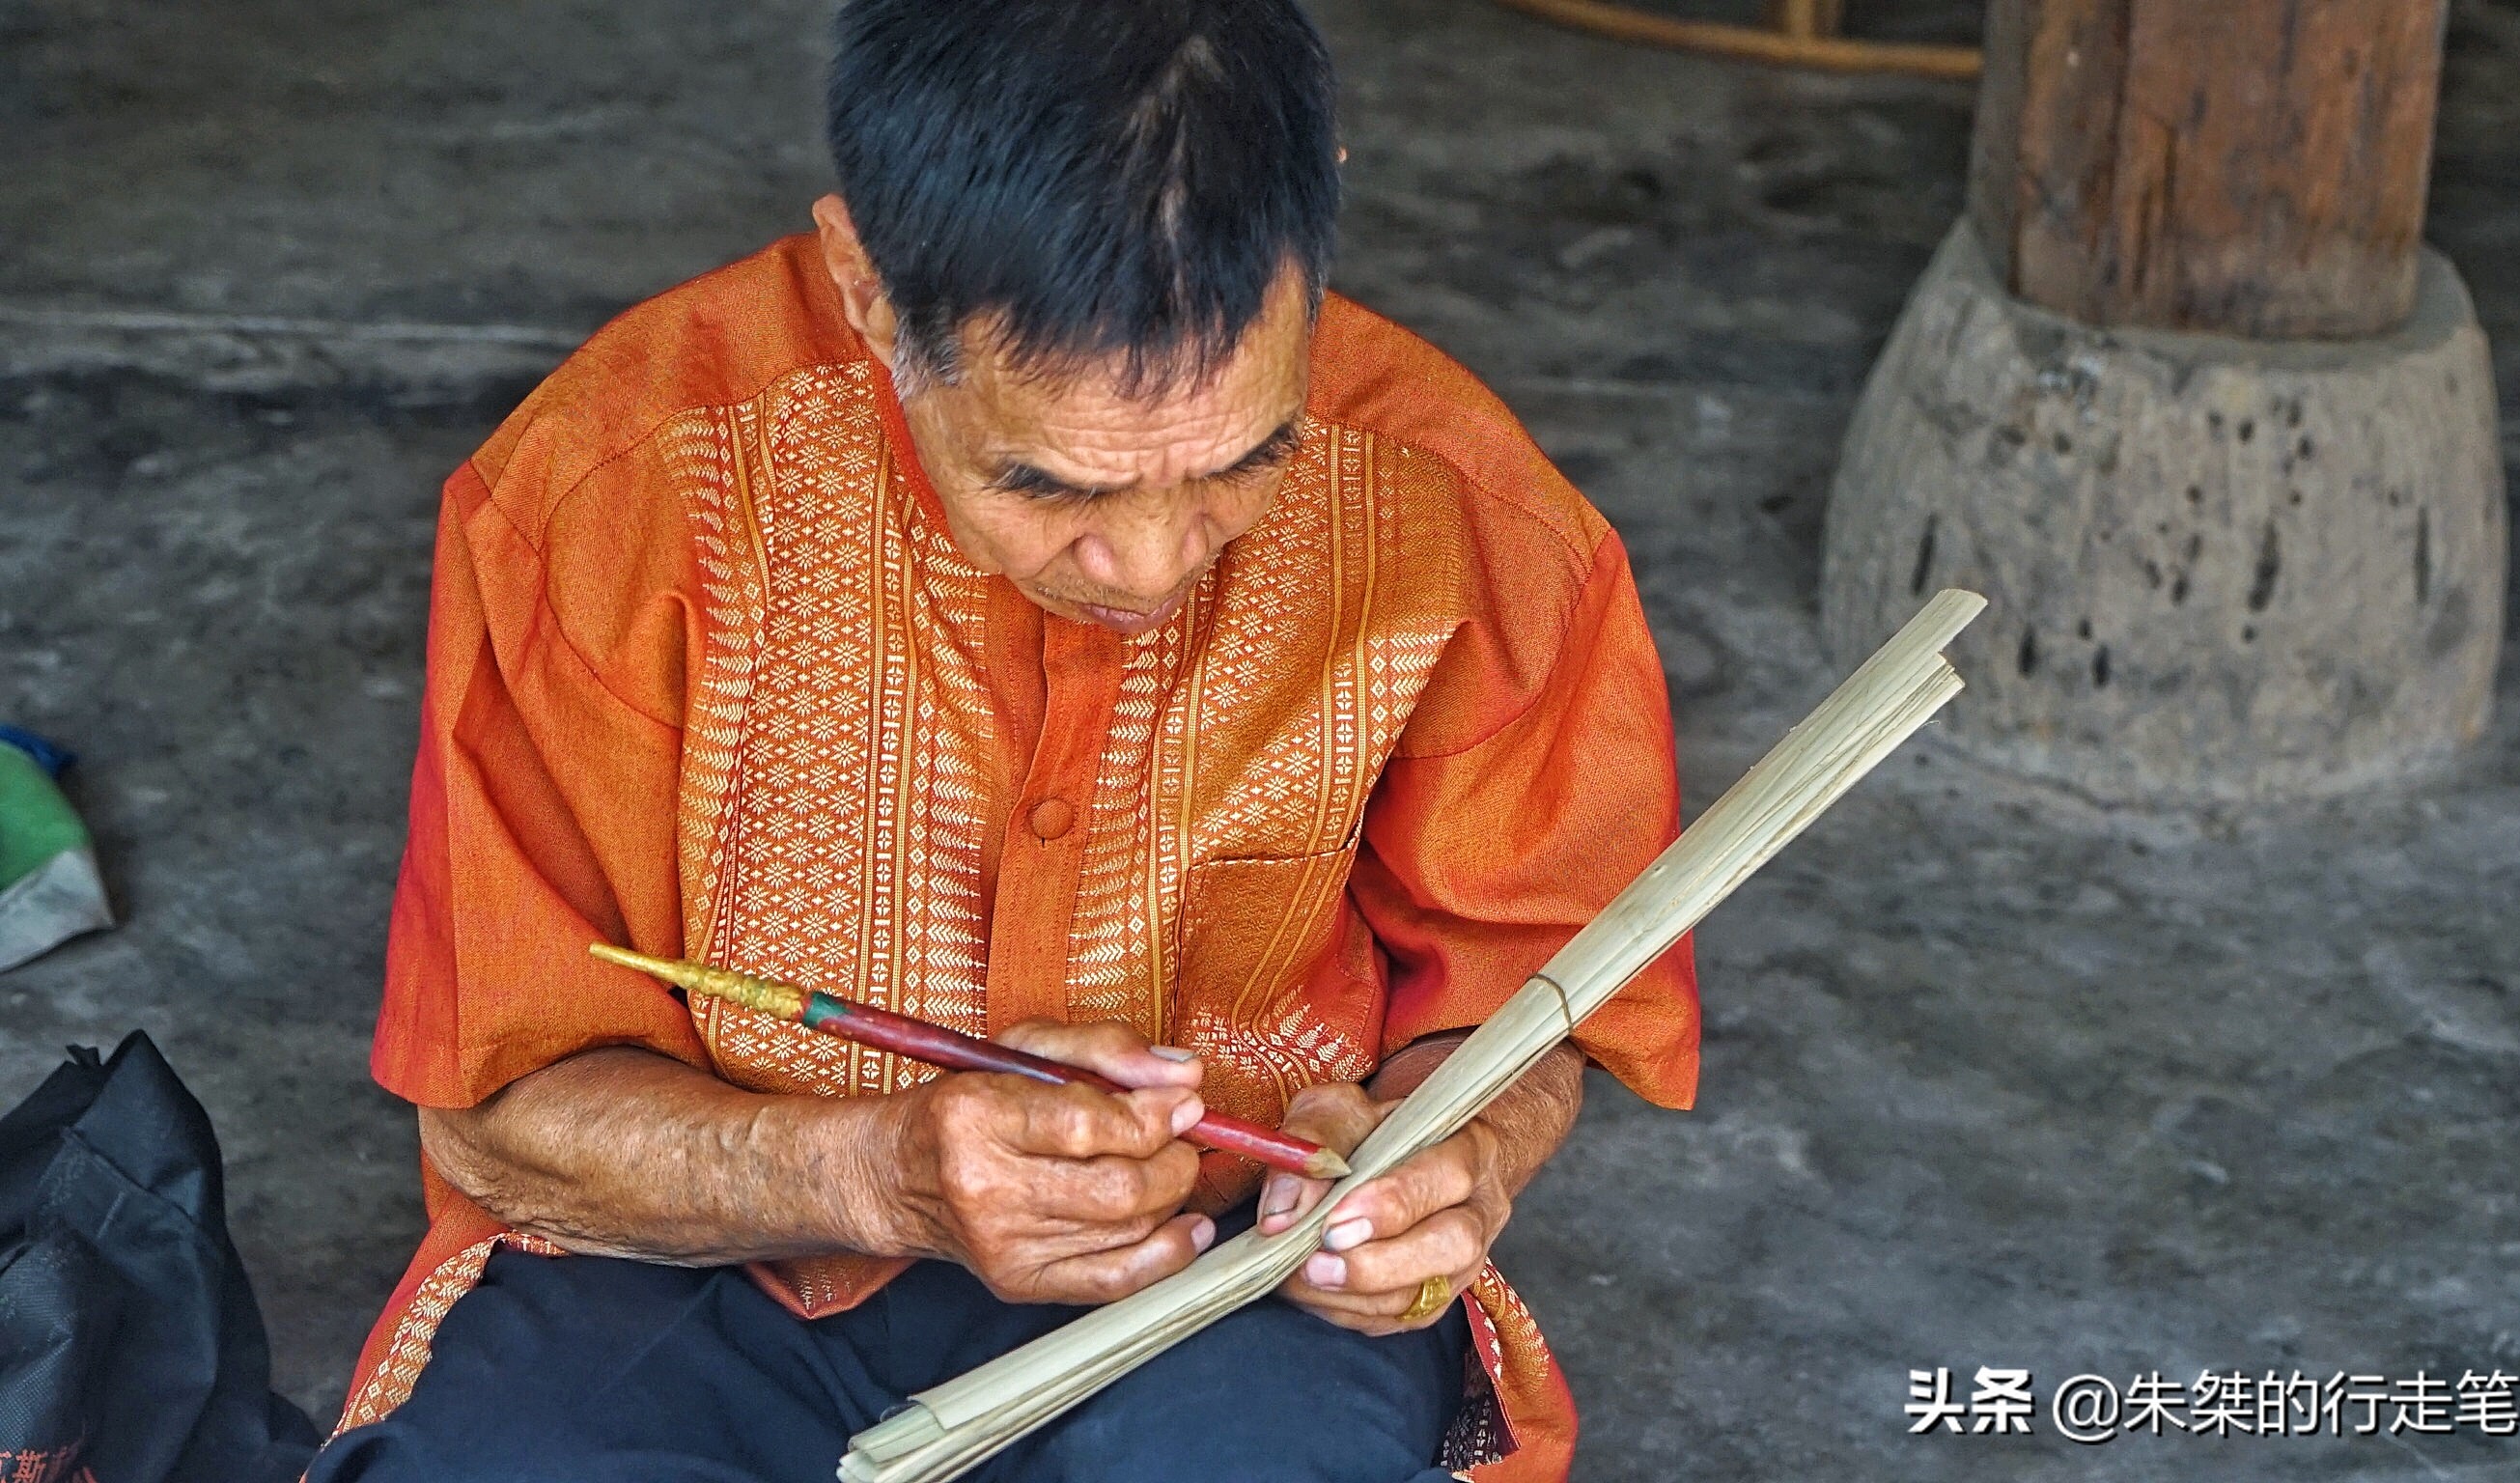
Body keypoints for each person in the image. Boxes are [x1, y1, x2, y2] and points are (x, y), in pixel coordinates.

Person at [313, 1, 1696, 1478]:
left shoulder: (1469, 519)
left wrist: (1449, 1149)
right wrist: (877, 1169)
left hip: (1224, 1278)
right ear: (864, 279)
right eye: (1050, 487)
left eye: (1249, 460)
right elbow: (497, 1120)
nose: (1159, 566)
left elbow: (1540, 988)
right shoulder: (606, 502)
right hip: (694, 1268)